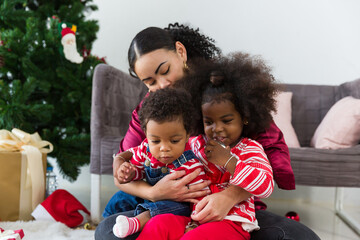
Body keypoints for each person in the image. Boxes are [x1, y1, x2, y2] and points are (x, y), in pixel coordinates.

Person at [95, 23, 320, 240]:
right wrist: (155, 193)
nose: (161, 85)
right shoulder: (151, 108)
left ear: (180, 52)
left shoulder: (222, 91)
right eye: (150, 81)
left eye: (165, 71)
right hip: (169, 209)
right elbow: (128, 163)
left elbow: (267, 164)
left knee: (301, 236)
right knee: (106, 230)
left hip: (231, 208)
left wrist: (229, 196)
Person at [137, 54, 275, 240]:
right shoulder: (196, 143)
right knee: (158, 225)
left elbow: (265, 185)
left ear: (245, 117)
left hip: (232, 225)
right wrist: (127, 161)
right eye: (208, 121)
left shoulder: (249, 148)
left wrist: (228, 161)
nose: (217, 128)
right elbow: (162, 150)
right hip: (192, 220)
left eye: (227, 120)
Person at [111, 88, 210, 238]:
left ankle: (137, 222)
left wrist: (195, 224)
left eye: (174, 141)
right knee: (120, 198)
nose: (164, 148)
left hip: (177, 206)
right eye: (156, 141)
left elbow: (199, 196)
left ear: (187, 134)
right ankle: (109, 221)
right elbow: (138, 170)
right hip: (149, 195)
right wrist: (129, 172)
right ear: (146, 133)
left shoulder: (191, 163)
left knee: (166, 207)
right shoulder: (144, 149)